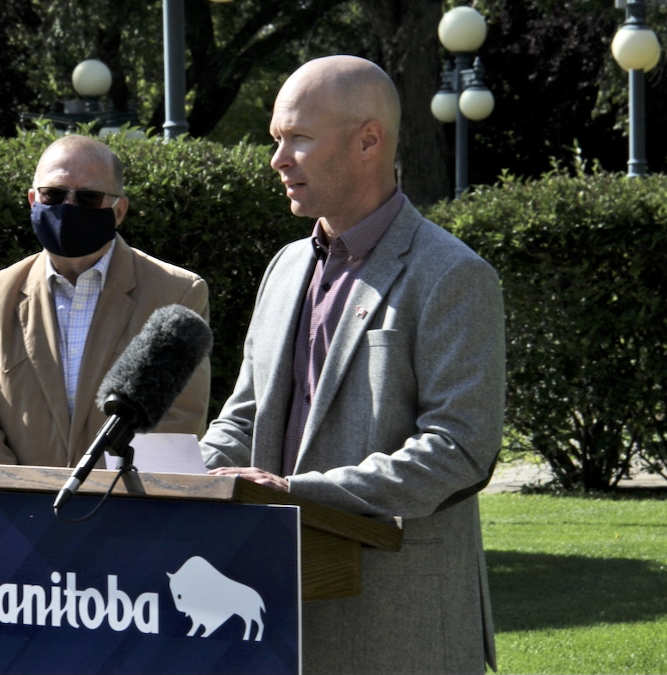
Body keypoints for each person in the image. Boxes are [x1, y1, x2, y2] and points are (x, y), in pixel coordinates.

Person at [199, 55, 505, 674]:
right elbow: (245, 416)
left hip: (399, 620)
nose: (277, 159)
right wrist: (194, 476)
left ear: (369, 139)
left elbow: (459, 449)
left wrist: (298, 494)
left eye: (298, 139)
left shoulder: (452, 275)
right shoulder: (285, 268)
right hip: (275, 609)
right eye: (276, 140)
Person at [0, 134, 210, 490]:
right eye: (53, 195)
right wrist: (23, 508)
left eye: (88, 198)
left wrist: (100, 505)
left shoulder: (177, 292)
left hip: (125, 521)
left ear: (118, 211)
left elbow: (177, 422)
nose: (68, 207)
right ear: (32, 200)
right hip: (23, 523)